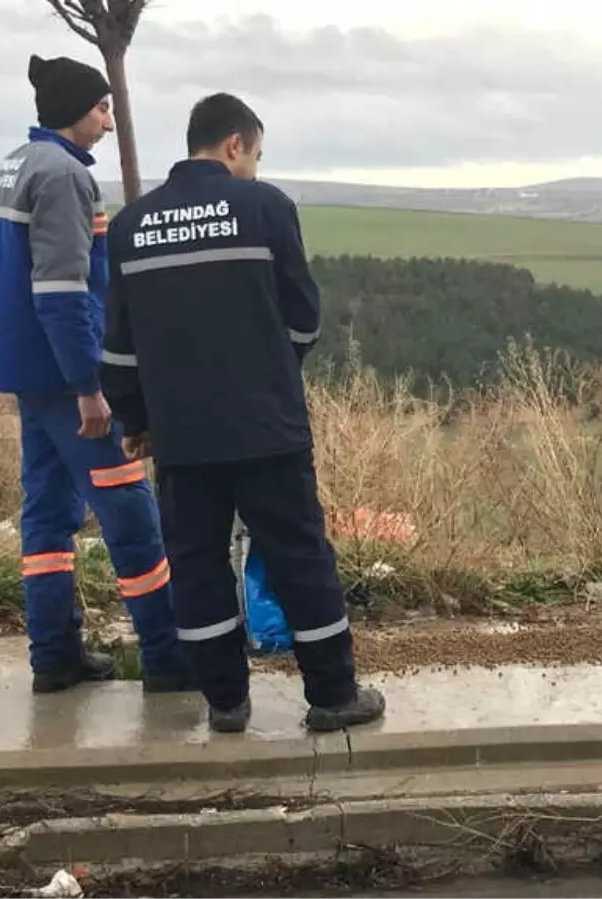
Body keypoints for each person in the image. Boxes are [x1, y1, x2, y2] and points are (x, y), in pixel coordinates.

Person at [100, 92, 386, 735]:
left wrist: (137, 417)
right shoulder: (266, 208)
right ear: (235, 145)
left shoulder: (131, 227)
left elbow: (119, 347)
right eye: (255, 154)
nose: (255, 166)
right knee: (298, 555)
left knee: (197, 563)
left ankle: (226, 703)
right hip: (266, 428)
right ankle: (334, 696)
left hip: (181, 435)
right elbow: (303, 320)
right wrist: (268, 377)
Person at [0, 54, 192, 695]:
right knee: (128, 509)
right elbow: (63, 292)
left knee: (46, 517)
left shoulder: (10, 166)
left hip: (25, 372)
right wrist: (90, 387)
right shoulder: (65, 176)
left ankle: (55, 658)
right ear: (76, 111)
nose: (108, 120)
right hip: (67, 378)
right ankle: (168, 658)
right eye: (102, 109)